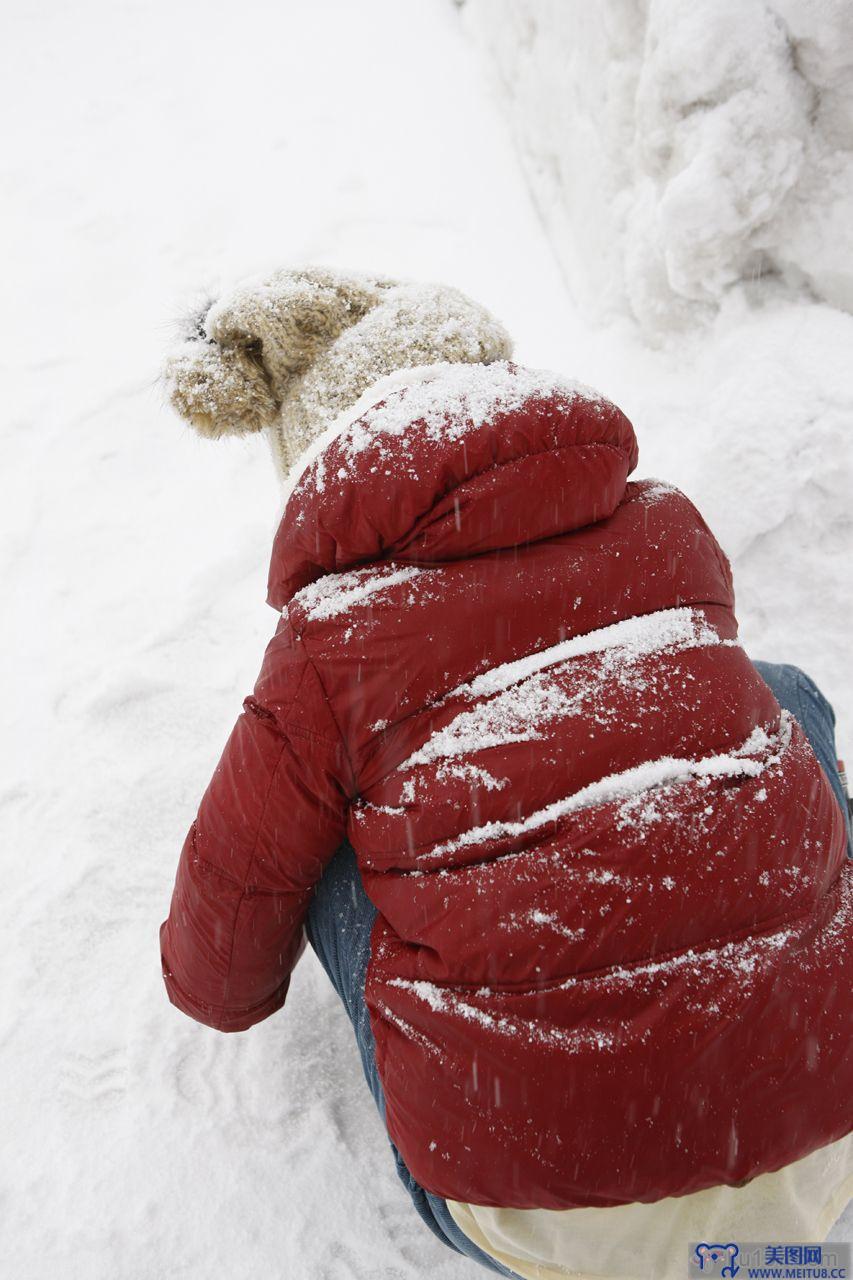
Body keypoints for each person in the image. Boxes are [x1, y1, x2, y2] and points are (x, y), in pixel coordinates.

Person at [160, 267, 853, 1280]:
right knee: (773, 693)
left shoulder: (333, 638)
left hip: (540, 1212)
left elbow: (216, 967)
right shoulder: (669, 530)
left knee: (314, 832)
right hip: (823, 1147)